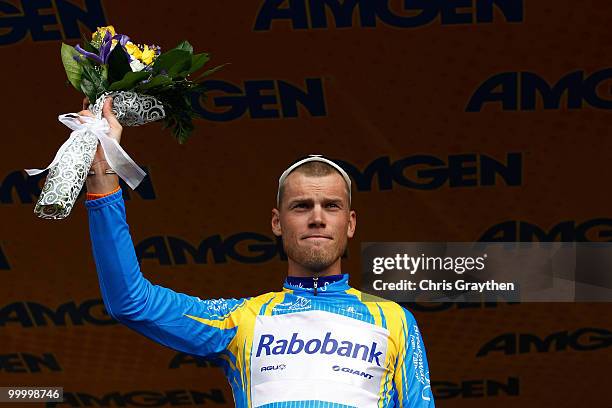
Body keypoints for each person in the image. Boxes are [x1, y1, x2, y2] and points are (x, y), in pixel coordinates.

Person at [81, 97, 435, 407]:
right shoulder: (242, 319)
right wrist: (102, 172)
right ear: (277, 222)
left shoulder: (396, 322)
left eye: (331, 206)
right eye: (301, 206)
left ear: (351, 223)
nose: (316, 218)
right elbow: (131, 302)